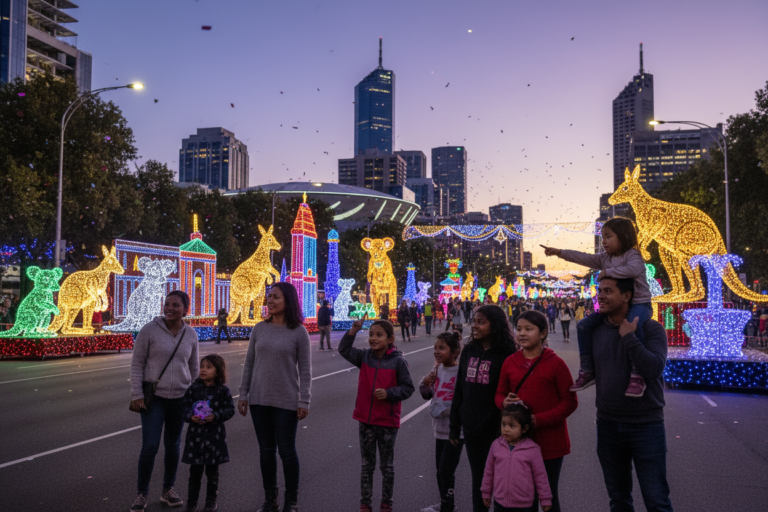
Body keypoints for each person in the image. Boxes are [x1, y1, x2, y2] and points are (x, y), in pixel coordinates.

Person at [543, 216, 653, 398]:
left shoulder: (632, 255)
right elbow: (584, 257)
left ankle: (637, 374)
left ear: (623, 236)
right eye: (603, 237)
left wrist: (607, 272)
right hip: (614, 307)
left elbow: (633, 270)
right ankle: (587, 370)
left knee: (634, 325)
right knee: (584, 325)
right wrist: (560, 252)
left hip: (639, 304)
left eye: (608, 236)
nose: (604, 242)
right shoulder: (604, 258)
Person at [590, 276, 673, 512]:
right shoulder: (596, 331)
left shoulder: (651, 328)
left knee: (656, 501)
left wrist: (629, 337)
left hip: (646, 426)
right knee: (618, 500)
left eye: (608, 291)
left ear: (627, 296)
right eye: (600, 290)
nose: (601, 295)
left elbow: (654, 368)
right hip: (607, 425)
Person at [238, 282, 312, 512]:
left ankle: (292, 500)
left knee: (287, 452)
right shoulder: (259, 328)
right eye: (269, 297)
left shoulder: (299, 332)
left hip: (286, 401)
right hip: (259, 400)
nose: (270, 300)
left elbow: (306, 371)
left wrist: (304, 400)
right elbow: (249, 363)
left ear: (288, 301)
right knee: (266, 452)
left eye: (275, 297)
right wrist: (243, 394)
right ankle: (270, 499)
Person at [496, 310, 577, 512]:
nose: (522, 333)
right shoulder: (510, 362)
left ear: (543, 333)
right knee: (524, 498)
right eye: (519, 329)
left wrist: (538, 420)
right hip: (518, 443)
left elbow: (570, 401)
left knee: (548, 496)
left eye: (528, 329)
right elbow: (499, 395)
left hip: (550, 443)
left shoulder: (556, 364)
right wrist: (504, 402)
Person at [130, 290, 200, 512]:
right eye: (167, 304)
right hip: (154, 398)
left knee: (173, 446)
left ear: (185, 310)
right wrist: (137, 394)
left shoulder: (191, 334)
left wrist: (197, 397)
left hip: (180, 398)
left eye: (175, 305)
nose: (169, 308)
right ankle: (142, 494)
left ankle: (168, 490)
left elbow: (194, 368)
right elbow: (137, 364)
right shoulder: (149, 330)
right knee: (150, 446)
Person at [340, 318, 415, 512]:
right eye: (371, 334)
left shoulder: (398, 361)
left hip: (387, 422)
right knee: (367, 465)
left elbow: (408, 388)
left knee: (386, 466)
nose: (373, 338)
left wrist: (389, 393)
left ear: (390, 339)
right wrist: (353, 331)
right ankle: (365, 503)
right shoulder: (365, 357)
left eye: (379, 335)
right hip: (365, 419)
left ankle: (386, 502)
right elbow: (344, 350)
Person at [449, 305, 517, 512]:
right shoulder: (469, 350)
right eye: (475, 321)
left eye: (481, 322)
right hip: (471, 428)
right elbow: (460, 388)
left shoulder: (507, 353)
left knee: (501, 480)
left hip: (498, 430)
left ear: (494, 325)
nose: (475, 326)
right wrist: (455, 425)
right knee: (479, 479)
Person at [181, 354, 235, 512]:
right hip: (195, 438)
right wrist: (190, 417)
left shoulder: (223, 390)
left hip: (214, 437)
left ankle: (211, 501)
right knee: (195, 473)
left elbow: (230, 410)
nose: (203, 370)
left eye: (208, 367)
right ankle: (191, 503)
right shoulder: (194, 389)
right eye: (202, 366)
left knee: (212, 473)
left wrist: (216, 416)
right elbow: (184, 407)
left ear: (218, 372)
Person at [418, 331, 464, 512]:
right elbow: (427, 395)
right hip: (439, 429)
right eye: (435, 348)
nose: (437, 351)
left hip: (456, 431)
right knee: (440, 470)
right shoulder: (437, 369)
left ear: (454, 352)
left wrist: (445, 411)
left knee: (446, 470)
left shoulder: (459, 372)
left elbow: (463, 402)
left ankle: (448, 506)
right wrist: (425, 382)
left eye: (442, 348)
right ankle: (446, 503)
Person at [481, 403, 552, 512]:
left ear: (524, 429)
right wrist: (486, 492)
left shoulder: (533, 450)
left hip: (524, 506)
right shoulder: (496, 445)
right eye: (503, 424)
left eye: (512, 425)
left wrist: (545, 499)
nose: (506, 429)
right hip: (500, 502)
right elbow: (489, 471)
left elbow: (541, 477)